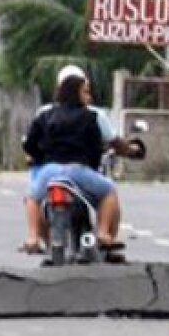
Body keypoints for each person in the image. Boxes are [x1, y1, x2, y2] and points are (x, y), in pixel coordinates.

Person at [22, 69, 140, 252]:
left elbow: (29, 144)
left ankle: (32, 238)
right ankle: (103, 233)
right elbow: (95, 149)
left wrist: (41, 158)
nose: (89, 96)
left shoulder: (45, 115)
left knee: (31, 197)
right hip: (78, 171)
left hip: (49, 171)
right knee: (108, 191)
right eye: (85, 91)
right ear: (74, 92)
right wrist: (91, 165)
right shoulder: (91, 117)